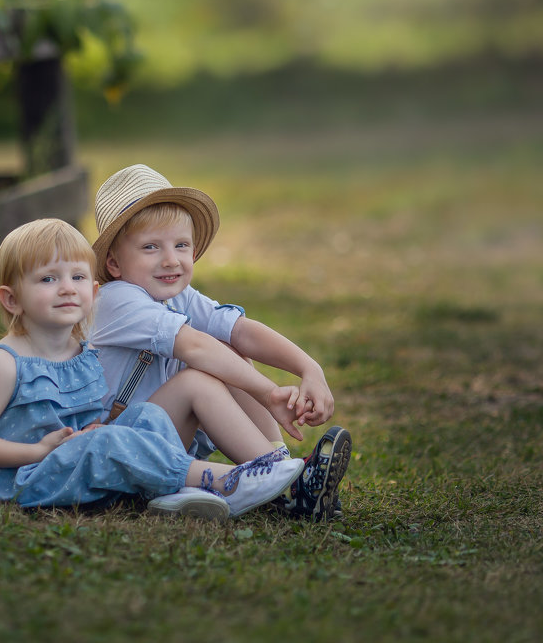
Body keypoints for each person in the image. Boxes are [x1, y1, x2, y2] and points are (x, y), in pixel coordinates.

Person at [0, 218, 305, 520]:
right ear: (12, 299)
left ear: (92, 291)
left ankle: (189, 484)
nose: (66, 289)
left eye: (77, 277)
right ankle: (230, 481)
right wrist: (38, 452)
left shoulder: (81, 353)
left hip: (70, 464)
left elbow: (81, 425)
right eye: (47, 279)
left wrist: (86, 432)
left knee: (147, 418)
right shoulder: (5, 363)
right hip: (24, 479)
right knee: (111, 439)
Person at [89, 164, 352, 521]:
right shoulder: (115, 299)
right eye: (150, 247)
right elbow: (194, 347)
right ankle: (289, 481)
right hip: (115, 450)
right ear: (114, 263)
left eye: (181, 245)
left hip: (157, 439)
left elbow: (239, 330)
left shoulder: (174, 296)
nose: (170, 259)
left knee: (229, 350)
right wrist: (268, 392)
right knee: (198, 377)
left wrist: (310, 367)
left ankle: (279, 464)